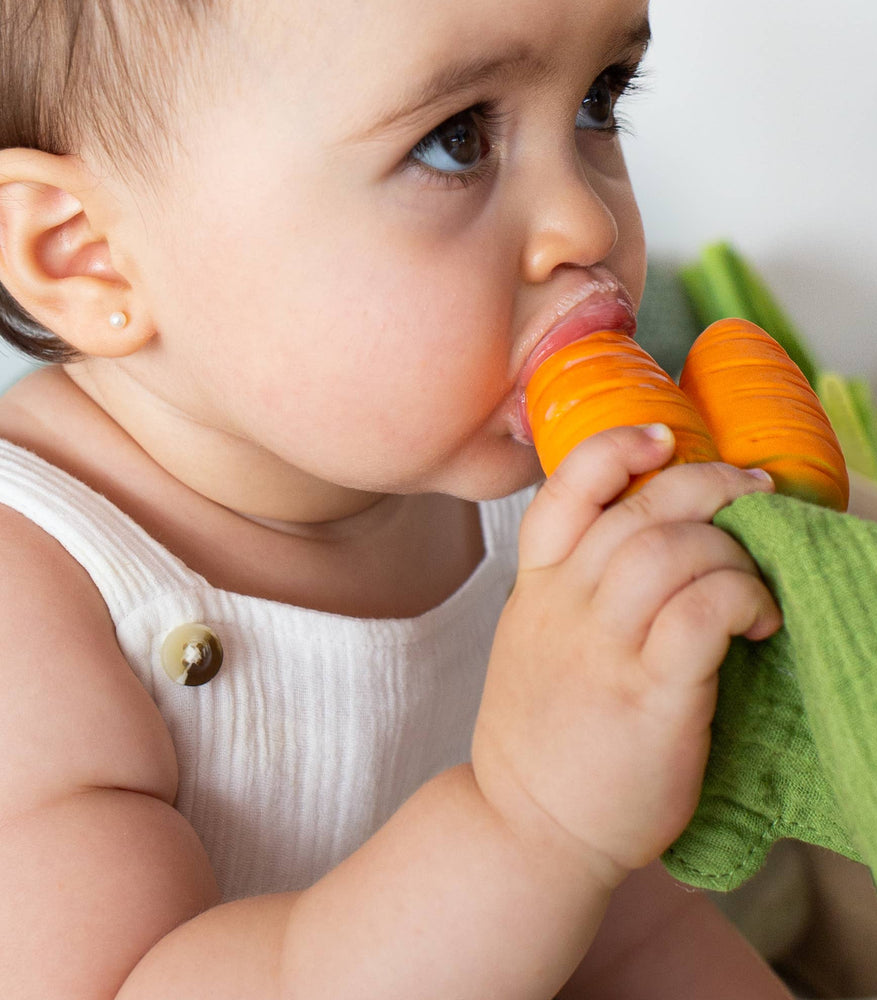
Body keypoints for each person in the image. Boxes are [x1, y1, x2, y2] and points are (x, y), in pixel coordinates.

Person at [0, 0, 790, 996]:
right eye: (454, 140)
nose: (589, 221)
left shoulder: (538, 483)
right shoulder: (35, 590)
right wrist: (533, 823)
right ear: (87, 252)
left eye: (599, 100)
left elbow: (636, 926)